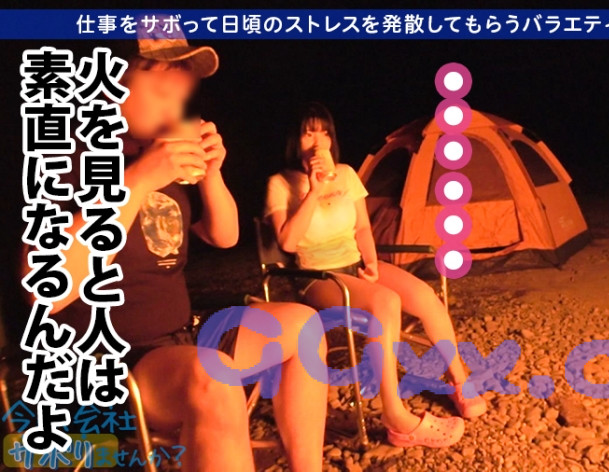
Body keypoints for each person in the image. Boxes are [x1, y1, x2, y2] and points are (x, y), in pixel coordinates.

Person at [20, 31, 326, 472]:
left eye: (181, 97)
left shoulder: (160, 156)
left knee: (304, 326)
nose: (174, 108)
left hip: (182, 340)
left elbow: (224, 236)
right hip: (111, 363)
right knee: (213, 378)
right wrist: (140, 179)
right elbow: (44, 293)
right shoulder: (66, 158)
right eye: (162, 91)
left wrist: (212, 173)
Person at [264, 102, 487, 449]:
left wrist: (370, 262)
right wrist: (313, 191)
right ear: (296, 140)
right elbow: (288, 243)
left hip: (355, 264)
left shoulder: (346, 174)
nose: (318, 142)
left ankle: (459, 381)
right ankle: (395, 417)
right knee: (386, 301)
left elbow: (363, 228)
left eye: (325, 133)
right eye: (309, 133)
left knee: (424, 296)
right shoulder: (280, 184)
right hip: (317, 276)